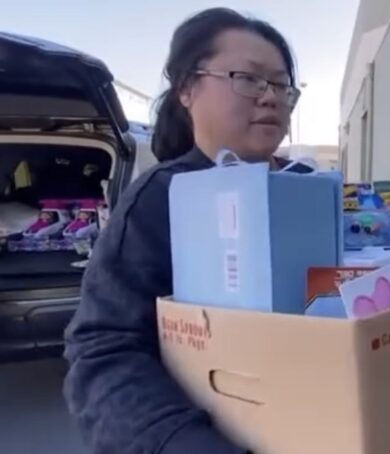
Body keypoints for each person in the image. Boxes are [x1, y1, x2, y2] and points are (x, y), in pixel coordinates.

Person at [63, 8, 305, 453]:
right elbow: (104, 352)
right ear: (187, 89)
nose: (271, 97)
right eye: (248, 78)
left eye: (281, 85)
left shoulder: (309, 186)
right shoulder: (159, 200)